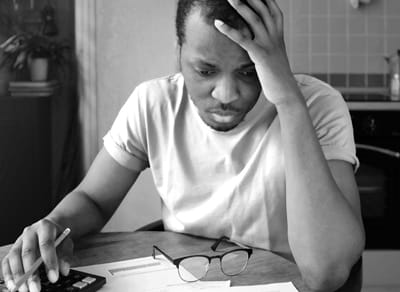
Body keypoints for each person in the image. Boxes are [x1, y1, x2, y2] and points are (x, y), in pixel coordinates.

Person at [2, 0, 365, 291]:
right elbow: (94, 200)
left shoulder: (316, 106)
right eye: (205, 71)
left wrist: (288, 101)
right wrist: (54, 223)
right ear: (179, 52)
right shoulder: (154, 103)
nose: (226, 95)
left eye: (249, 70)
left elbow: (326, 274)